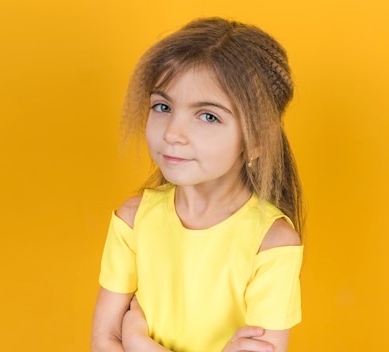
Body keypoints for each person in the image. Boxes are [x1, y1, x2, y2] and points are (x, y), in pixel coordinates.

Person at [91, 17, 304, 352]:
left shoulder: (272, 243)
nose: (172, 133)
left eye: (208, 116)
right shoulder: (133, 220)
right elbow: (103, 342)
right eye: (162, 106)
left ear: (257, 140)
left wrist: (137, 342)